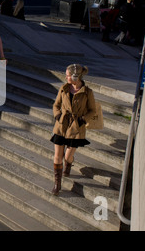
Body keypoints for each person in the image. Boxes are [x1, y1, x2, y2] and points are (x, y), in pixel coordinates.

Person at [50, 64, 96, 196]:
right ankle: (57, 184)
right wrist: (58, 115)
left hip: (76, 128)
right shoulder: (64, 88)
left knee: (67, 156)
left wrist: (82, 120)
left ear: (76, 77)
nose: (66, 77)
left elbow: (92, 110)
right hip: (61, 125)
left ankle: (69, 163)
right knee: (57, 156)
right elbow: (56, 105)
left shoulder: (88, 92)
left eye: (68, 75)